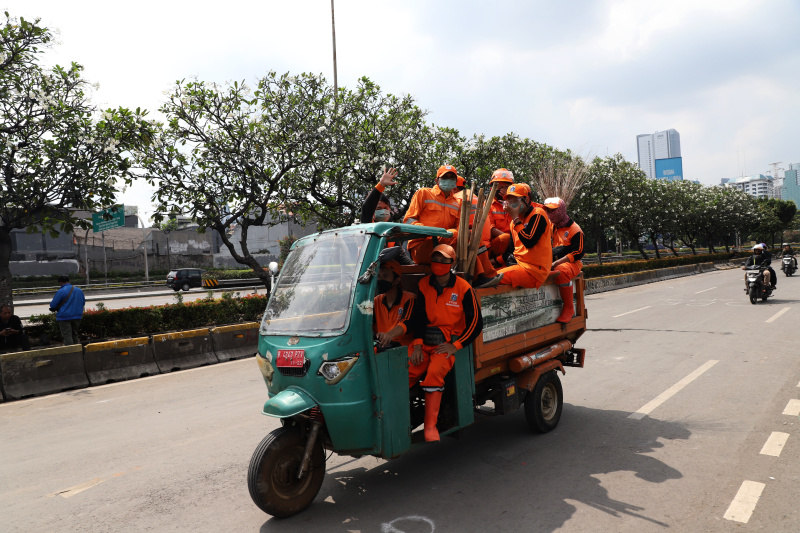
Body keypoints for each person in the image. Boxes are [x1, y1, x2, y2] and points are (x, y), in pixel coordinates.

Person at [407, 244, 483, 441]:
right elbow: (418, 317)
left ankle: (430, 427)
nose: (439, 264)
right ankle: (403, 418)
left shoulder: (463, 287)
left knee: (434, 374)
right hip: (424, 341)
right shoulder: (424, 284)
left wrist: (455, 346)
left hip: (446, 343)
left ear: (452, 263)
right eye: (436, 259)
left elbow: (476, 322)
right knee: (405, 371)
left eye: (444, 260)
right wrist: (416, 345)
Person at [496, 183, 553, 289]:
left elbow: (529, 241)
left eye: (516, 200)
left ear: (526, 200)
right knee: (489, 275)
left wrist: (515, 218)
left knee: (494, 278)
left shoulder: (537, 214)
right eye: (510, 201)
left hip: (534, 270)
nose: (512, 204)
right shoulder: (513, 224)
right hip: (519, 265)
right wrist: (495, 261)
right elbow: (511, 250)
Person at [403, 165, 461, 264]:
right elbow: (409, 220)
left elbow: (458, 227)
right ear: (437, 181)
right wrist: (428, 232)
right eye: (445, 177)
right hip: (421, 246)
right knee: (453, 234)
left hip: (445, 247)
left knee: (464, 235)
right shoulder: (423, 193)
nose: (448, 180)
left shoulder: (458, 203)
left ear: (455, 182)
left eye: (452, 178)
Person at [453, 176, 502, 288]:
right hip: (486, 248)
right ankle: (489, 274)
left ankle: (478, 278)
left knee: (468, 237)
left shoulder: (456, 199)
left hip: (473, 249)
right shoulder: (475, 196)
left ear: (454, 189)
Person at [543, 197, 585, 323]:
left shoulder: (575, 230)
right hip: (552, 260)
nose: (550, 214)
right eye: (547, 210)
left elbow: (578, 252)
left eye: (553, 210)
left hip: (572, 263)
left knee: (561, 271)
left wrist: (556, 263)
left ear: (561, 210)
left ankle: (568, 307)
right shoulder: (551, 225)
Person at [361, 166, 413, 265]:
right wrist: (381, 185)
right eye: (378, 209)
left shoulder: (391, 231)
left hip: (387, 273)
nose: (383, 211)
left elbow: (402, 258)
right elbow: (367, 208)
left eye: (385, 208)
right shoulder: (368, 227)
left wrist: (418, 268)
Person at [374, 260, 416, 348]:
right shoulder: (376, 301)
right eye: (378, 276)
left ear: (396, 281)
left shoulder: (409, 299)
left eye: (385, 276)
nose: (380, 280)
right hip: (382, 346)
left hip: (404, 348)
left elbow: (406, 322)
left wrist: (389, 335)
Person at [488, 169, 515, 265]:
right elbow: (491, 230)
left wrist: (510, 201)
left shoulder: (515, 204)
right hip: (497, 244)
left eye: (506, 187)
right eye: (499, 187)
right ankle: (497, 261)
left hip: (515, 242)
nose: (502, 190)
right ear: (492, 188)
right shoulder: (488, 206)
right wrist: (510, 239)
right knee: (505, 238)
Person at [49, 275, 86, 345]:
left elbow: (53, 305)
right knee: (74, 334)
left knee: (67, 336)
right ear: (69, 281)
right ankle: (76, 351)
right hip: (77, 316)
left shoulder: (61, 291)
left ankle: (70, 353)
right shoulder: (79, 290)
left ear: (60, 282)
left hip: (64, 317)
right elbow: (83, 302)